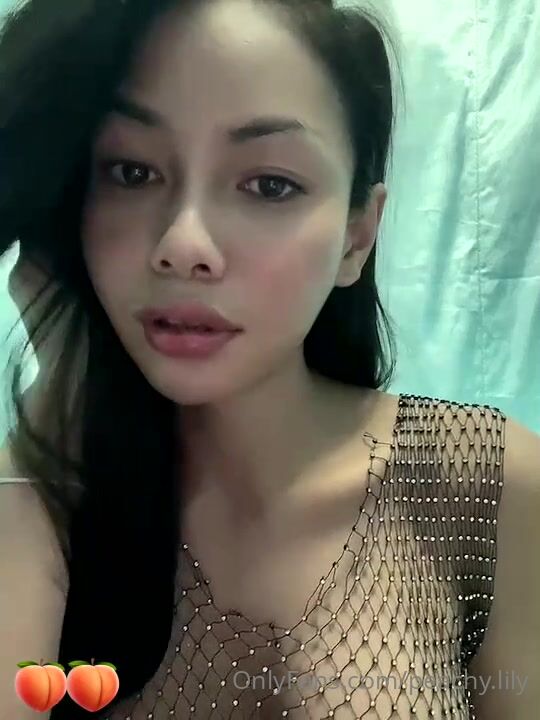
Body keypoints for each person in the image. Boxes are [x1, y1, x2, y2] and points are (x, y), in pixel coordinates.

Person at [0, 0, 538, 718]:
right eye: (131, 172)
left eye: (269, 185)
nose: (184, 245)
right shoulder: (38, 503)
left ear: (356, 237)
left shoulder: (484, 487)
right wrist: (57, 402)